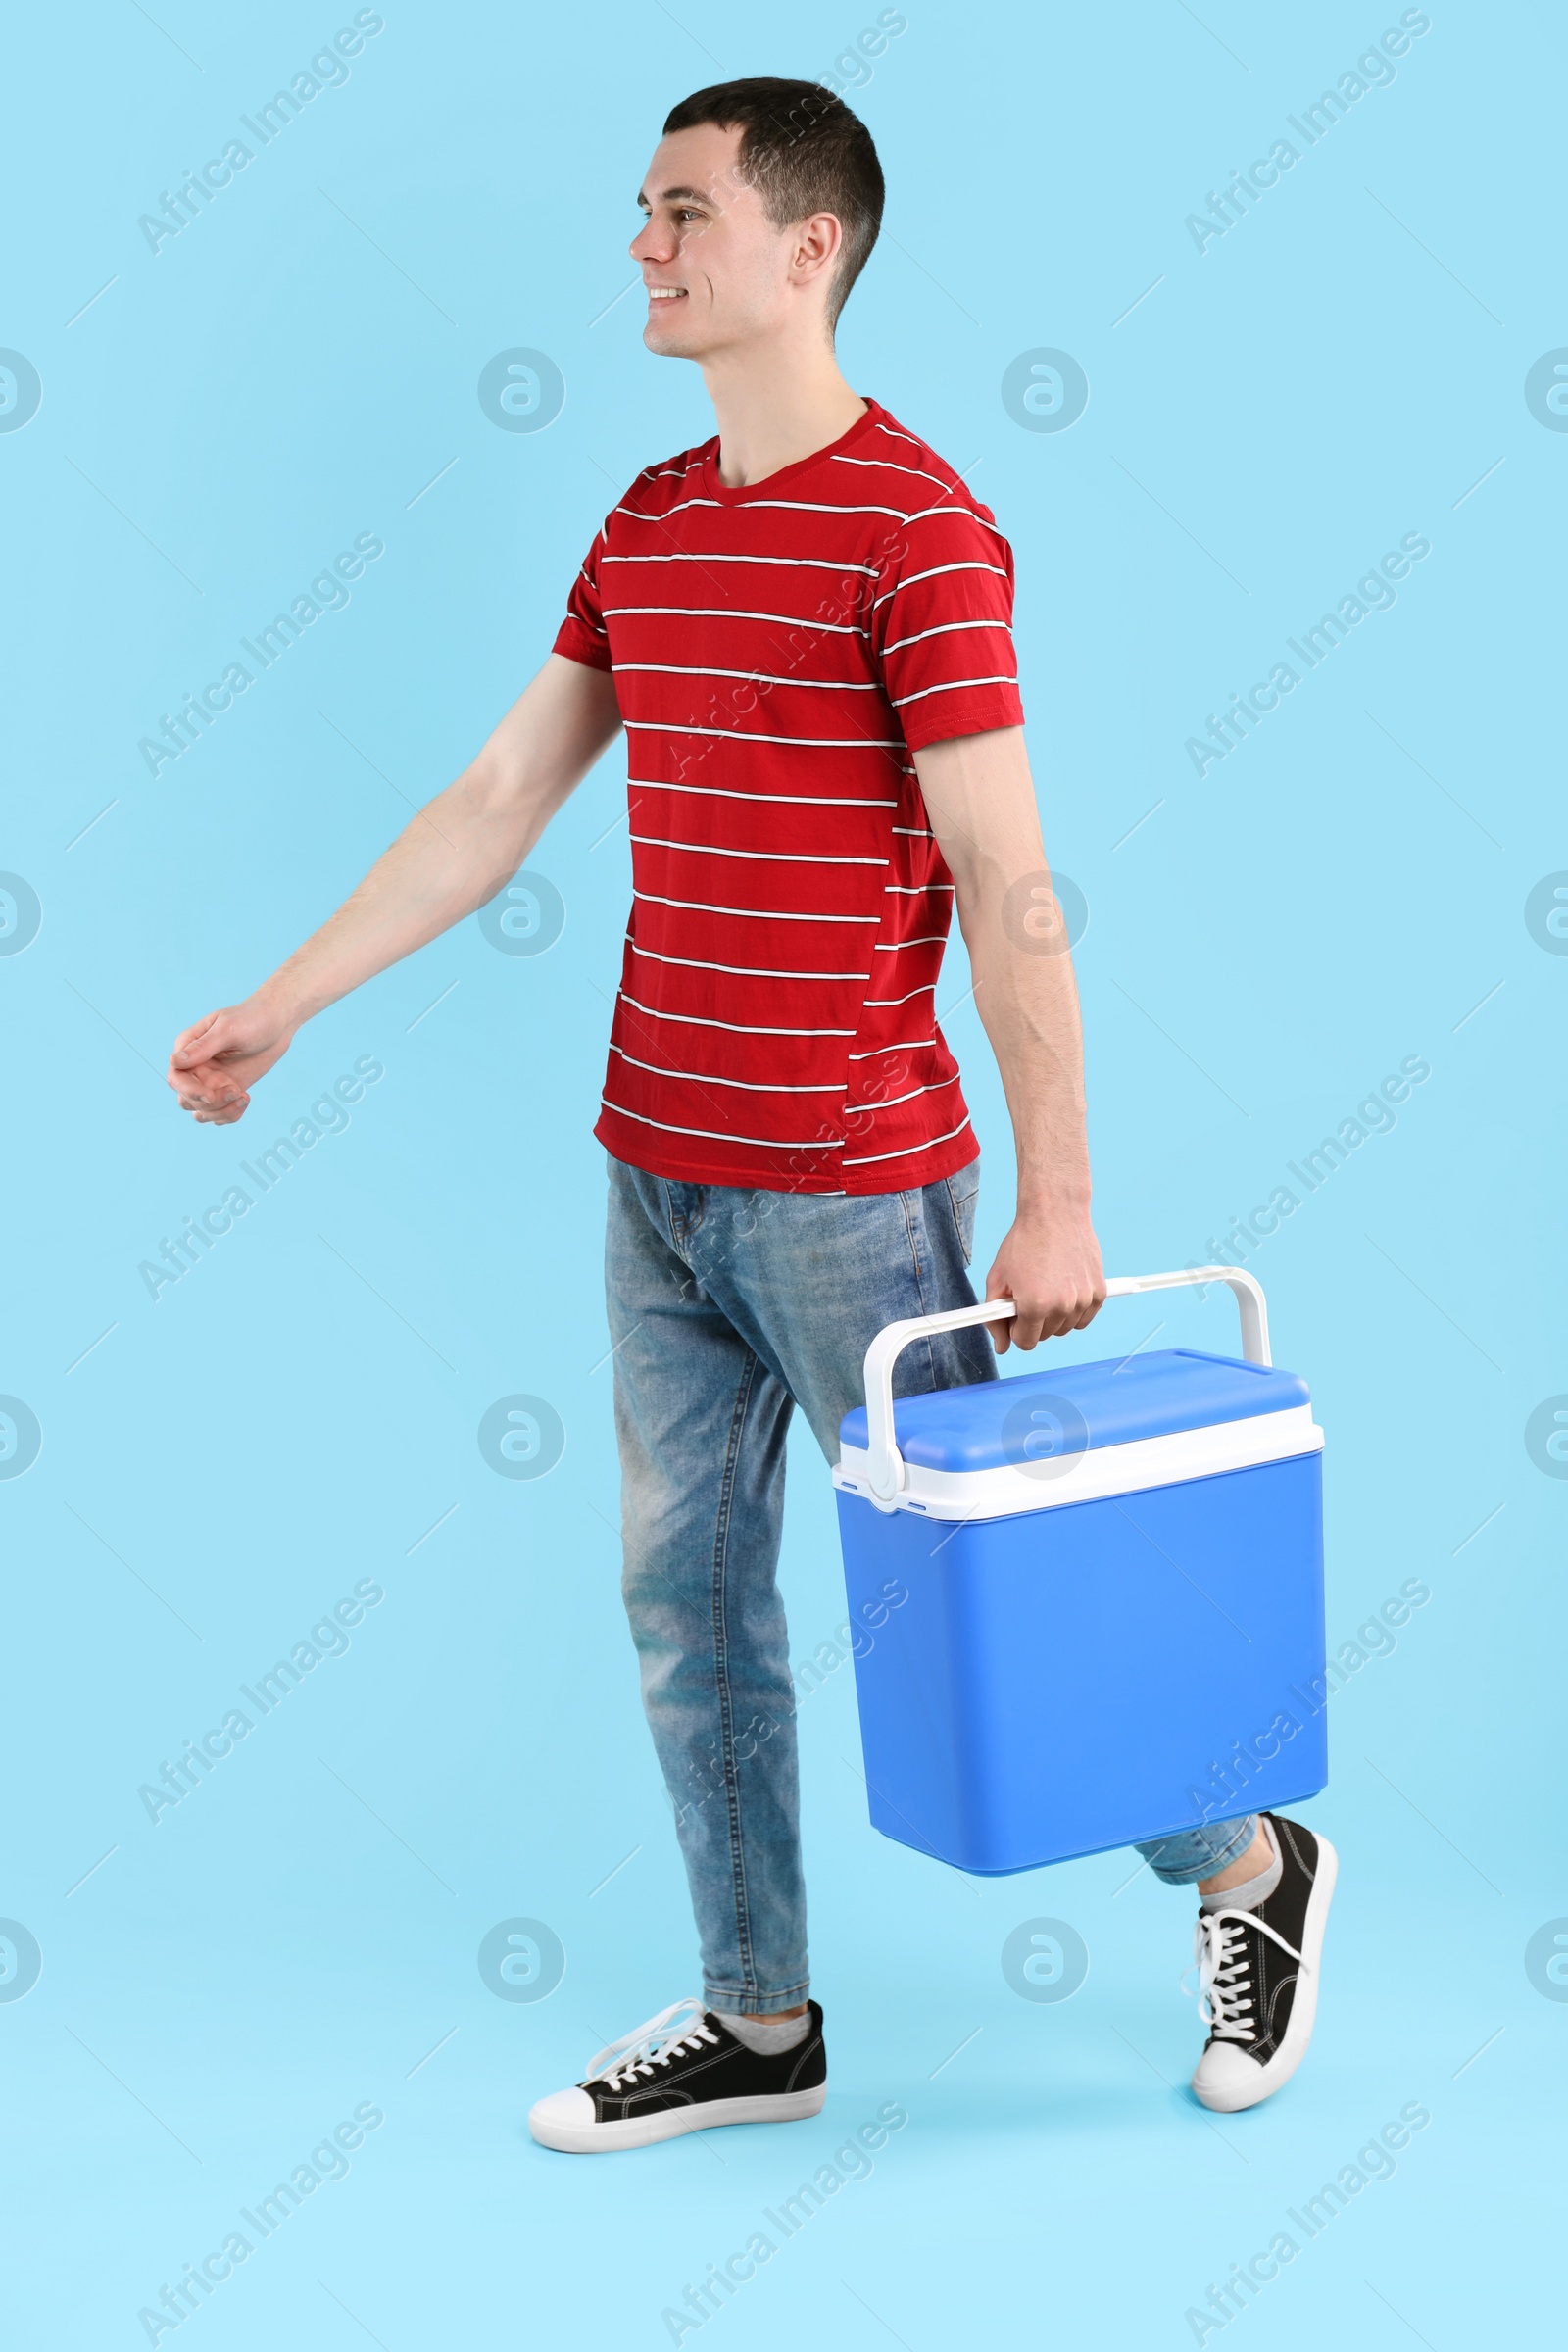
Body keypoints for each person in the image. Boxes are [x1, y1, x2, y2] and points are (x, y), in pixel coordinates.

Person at [167, 77, 1335, 2153]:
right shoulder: (648, 518)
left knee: (1003, 1613)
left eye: (681, 211)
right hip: (655, 1176)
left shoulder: (917, 530)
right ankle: (756, 2019)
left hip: (856, 1200)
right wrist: (283, 1003)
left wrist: (1056, 1203)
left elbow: (1005, 885)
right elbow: (499, 798)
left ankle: (1244, 1865)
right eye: (637, 211)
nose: (642, 245)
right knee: (685, 1609)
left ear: (809, 248)